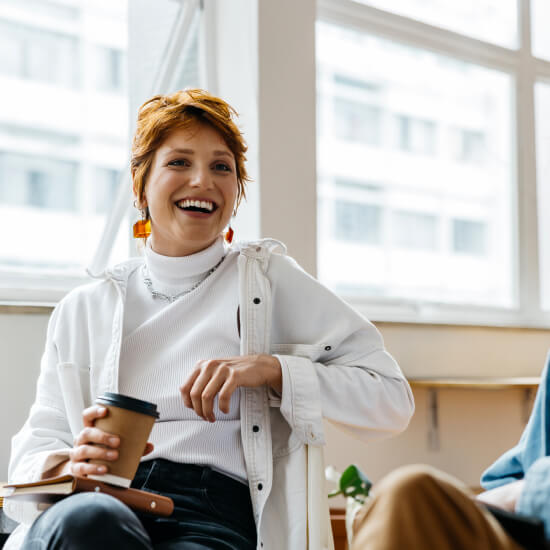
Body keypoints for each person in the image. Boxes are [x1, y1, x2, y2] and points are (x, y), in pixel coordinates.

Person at [4, 89, 415, 550]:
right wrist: (69, 465)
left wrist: (273, 369)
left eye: (222, 167)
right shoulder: (83, 309)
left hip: (210, 513)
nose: (202, 180)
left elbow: (392, 400)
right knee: (86, 523)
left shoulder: (271, 280)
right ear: (140, 184)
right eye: (179, 162)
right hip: (104, 504)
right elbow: (33, 452)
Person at [351, 354, 550, 550]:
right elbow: (517, 469)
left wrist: (522, 493)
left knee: (407, 496)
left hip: (532, 514)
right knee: (410, 493)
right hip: (521, 520)